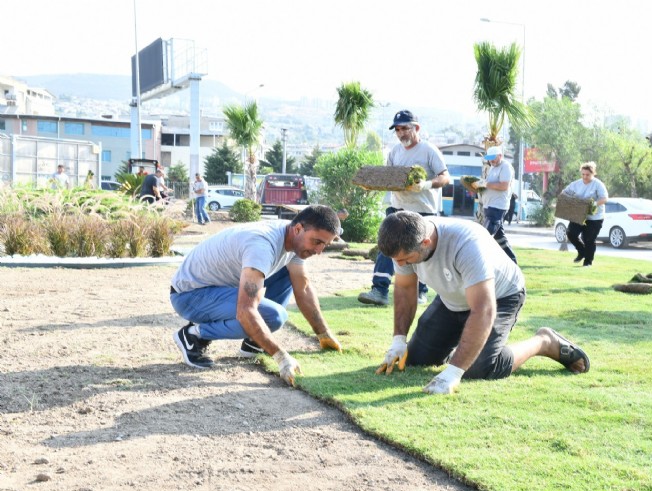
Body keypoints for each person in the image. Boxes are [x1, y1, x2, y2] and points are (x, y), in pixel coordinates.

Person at [373, 211, 589, 394]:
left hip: (499, 297)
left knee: (479, 369)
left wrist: (453, 372)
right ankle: (467, 347)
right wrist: (399, 340)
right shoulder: (407, 240)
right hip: (453, 299)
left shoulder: (466, 244)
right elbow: (405, 287)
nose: (399, 264)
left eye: (404, 259)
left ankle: (543, 342)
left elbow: (483, 310)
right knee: (416, 360)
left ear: (426, 243)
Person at [169, 205, 344, 385]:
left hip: (222, 289)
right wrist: (281, 357)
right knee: (274, 316)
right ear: (298, 228)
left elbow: (303, 288)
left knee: (288, 273)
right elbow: (246, 310)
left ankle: (254, 339)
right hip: (190, 296)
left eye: (325, 244)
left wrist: (323, 333)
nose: (319, 251)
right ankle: (194, 334)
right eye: (317, 242)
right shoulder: (261, 245)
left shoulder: (295, 239)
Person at [358, 110, 451, 307]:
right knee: (386, 246)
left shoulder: (429, 150)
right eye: (398, 130)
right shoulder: (395, 152)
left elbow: (445, 177)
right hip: (397, 208)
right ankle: (379, 290)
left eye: (405, 128)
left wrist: (425, 185)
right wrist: (373, 184)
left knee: (420, 250)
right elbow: (390, 178)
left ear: (417, 128)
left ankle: (420, 292)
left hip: (423, 210)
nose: (401, 133)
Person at [470, 145, 517, 263]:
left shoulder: (505, 167)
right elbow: (489, 185)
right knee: (500, 239)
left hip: (497, 207)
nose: (491, 161)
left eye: (493, 158)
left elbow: (504, 186)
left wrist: (485, 184)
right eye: (489, 158)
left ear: (500, 155)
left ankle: (478, 262)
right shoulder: (492, 167)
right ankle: (512, 262)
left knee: (485, 236)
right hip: (488, 206)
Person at [561, 161, 608, 267]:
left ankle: (588, 262)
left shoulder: (598, 184)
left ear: (593, 173)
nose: (585, 177)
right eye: (583, 174)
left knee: (589, 239)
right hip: (579, 214)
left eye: (587, 175)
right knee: (571, 233)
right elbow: (564, 193)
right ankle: (582, 251)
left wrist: (593, 204)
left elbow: (604, 198)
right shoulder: (575, 184)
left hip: (595, 217)